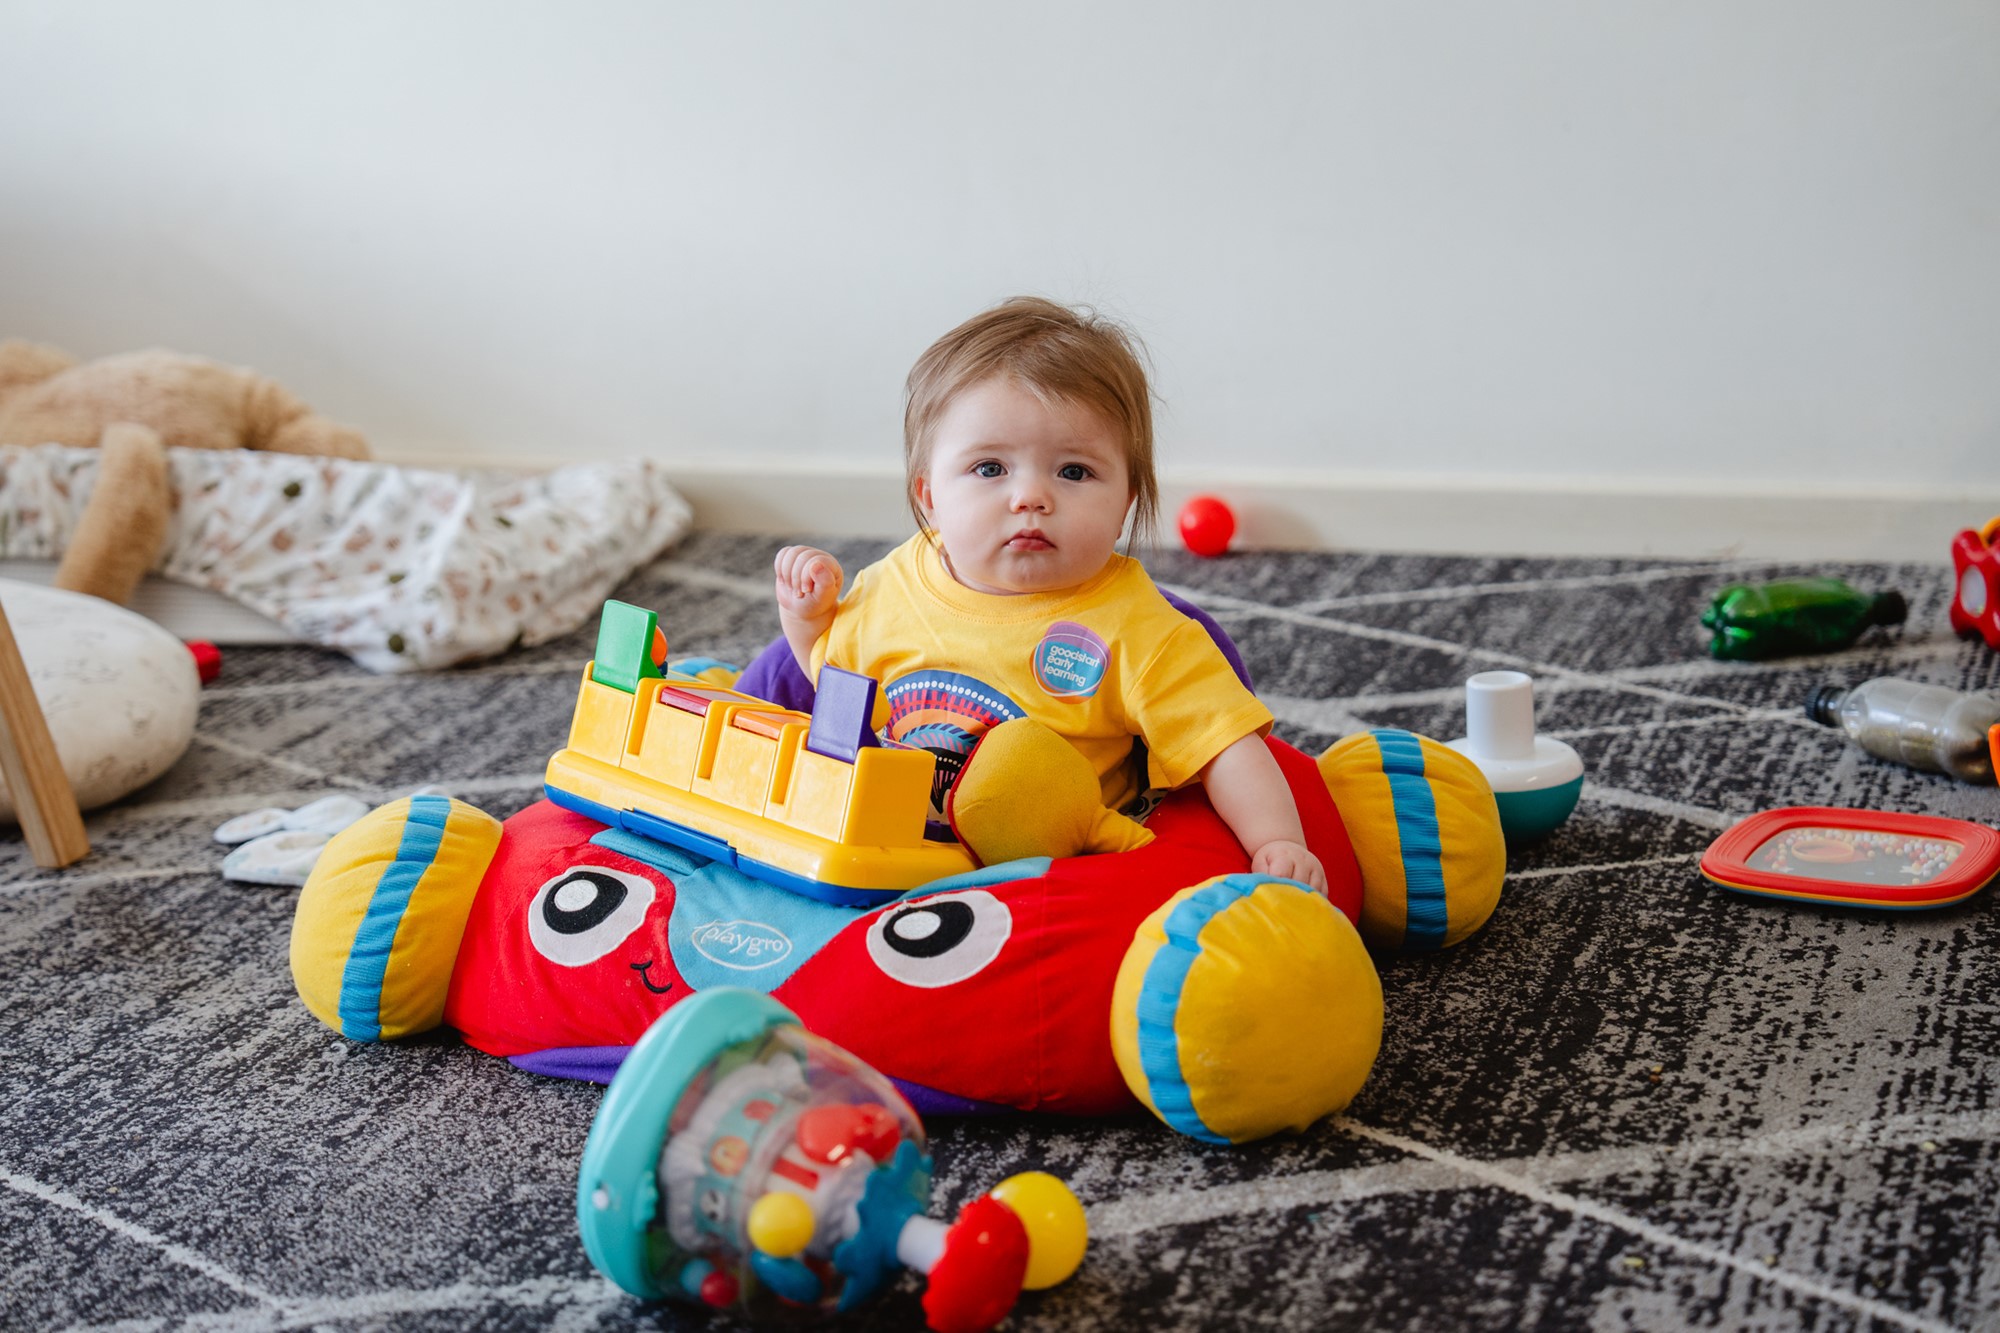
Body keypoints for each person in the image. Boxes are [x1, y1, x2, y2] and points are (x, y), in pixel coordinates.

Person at [772, 297, 1326, 892]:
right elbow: (833, 681)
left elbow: (1224, 745)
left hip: (1055, 867)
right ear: (929, 497)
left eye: (1073, 472)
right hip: (899, 849)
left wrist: (1278, 842)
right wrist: (804, 618)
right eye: (990, 468)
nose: (1030, 497)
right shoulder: (894, 583)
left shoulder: (1137, 628)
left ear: (1126, 503)